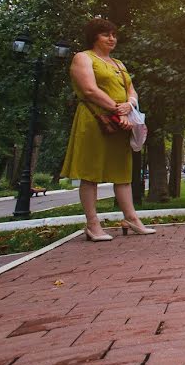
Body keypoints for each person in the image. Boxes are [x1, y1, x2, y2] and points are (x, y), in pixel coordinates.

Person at [61, 18, 156, 242]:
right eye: (106, 34)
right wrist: (117, 109)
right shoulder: (83, 58)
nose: (111, 38)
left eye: (114, 34)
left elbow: (132, 91)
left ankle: (131, 218)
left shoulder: (119, 64)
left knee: (122, 173)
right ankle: (93, 225)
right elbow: (90, 90)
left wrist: (129, 105)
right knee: (90, 172)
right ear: (94, 37)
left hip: (121, 122)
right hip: (95, 120)